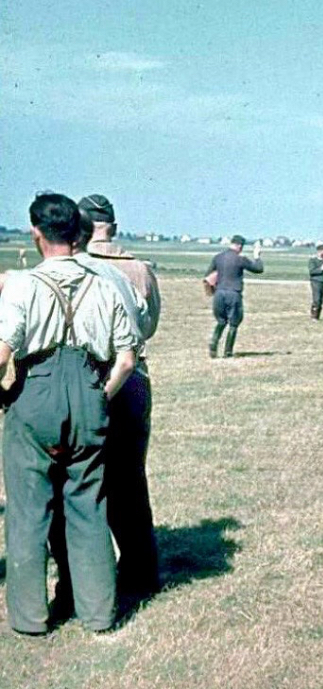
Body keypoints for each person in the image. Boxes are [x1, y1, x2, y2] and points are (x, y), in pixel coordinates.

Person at [0, 193, 136, 635]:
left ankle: (30, 618)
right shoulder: (106, 282)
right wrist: (100, 395)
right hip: (90, 391)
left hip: (34, 393)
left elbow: (3, 353)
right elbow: (127, 360)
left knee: (27, 511)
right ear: (78, 233)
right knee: (89, 505)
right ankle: (99, 614)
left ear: (36, 233)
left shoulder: (22, 284)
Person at [76, 194, 162, 596]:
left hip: (86, 377)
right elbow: (150, 326)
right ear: (113, 224)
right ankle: (141, 573)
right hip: (131, 378)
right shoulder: (140, 269)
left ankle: (90, 575)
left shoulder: (73, 266)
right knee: (131, 479)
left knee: (82, 478)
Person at [205, 235, 263, 358]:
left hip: (219, 293)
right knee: (233, 324)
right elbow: (258, 269)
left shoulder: (218, 257)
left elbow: (208, 276)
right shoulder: (240, 259)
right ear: (240, 246)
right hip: (234, 293)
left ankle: (214, 343)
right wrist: (257, 256)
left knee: (221, 321)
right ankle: (228, 351)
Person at [308, 242, 323, 320]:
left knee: (321, 300)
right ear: (320, 251)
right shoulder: (313, 260)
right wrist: (321, 269)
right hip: (316, 282)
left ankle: (317, 317)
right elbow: (312, 271)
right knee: (316, 299)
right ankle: (313, 316)